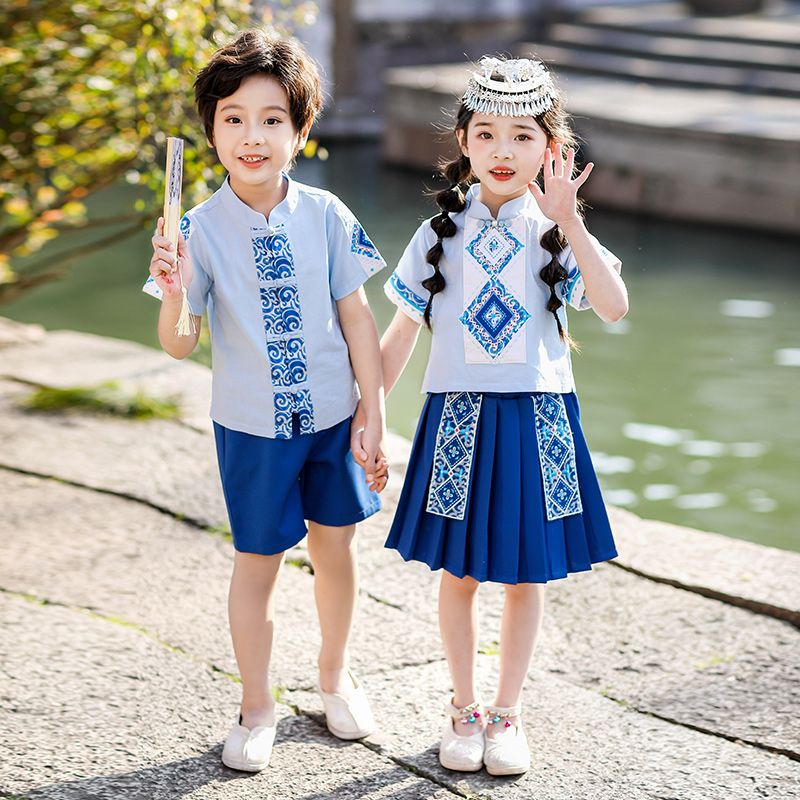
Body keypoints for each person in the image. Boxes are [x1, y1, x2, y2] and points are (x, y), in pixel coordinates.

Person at [358, 55, 628, 776]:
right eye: (486, 135)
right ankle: (464, 707)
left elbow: (612, 306)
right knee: (459, 574)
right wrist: (369, 414)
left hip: (538, 421)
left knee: (525, 575)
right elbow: (400, 338)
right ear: (464, 143)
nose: (503, 151)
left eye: (521, 136)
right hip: (455, 421)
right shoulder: (435, 236)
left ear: (551, 147)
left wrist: (569, 220)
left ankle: (508, 714)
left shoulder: (556, 231)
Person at [144, 28, 388, 772]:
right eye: (235, 118)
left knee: (336, 548)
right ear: (211, 130)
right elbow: (179, 343)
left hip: (331, 416)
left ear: (301, 130)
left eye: (273, 118)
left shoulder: (327, 213)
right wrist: (177, 289)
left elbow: (356, 317)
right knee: (258, 559)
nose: (253, 135)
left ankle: (335, 676)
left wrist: (373, 412)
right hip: (250, 426)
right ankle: (256, 705)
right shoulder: (195, 230)